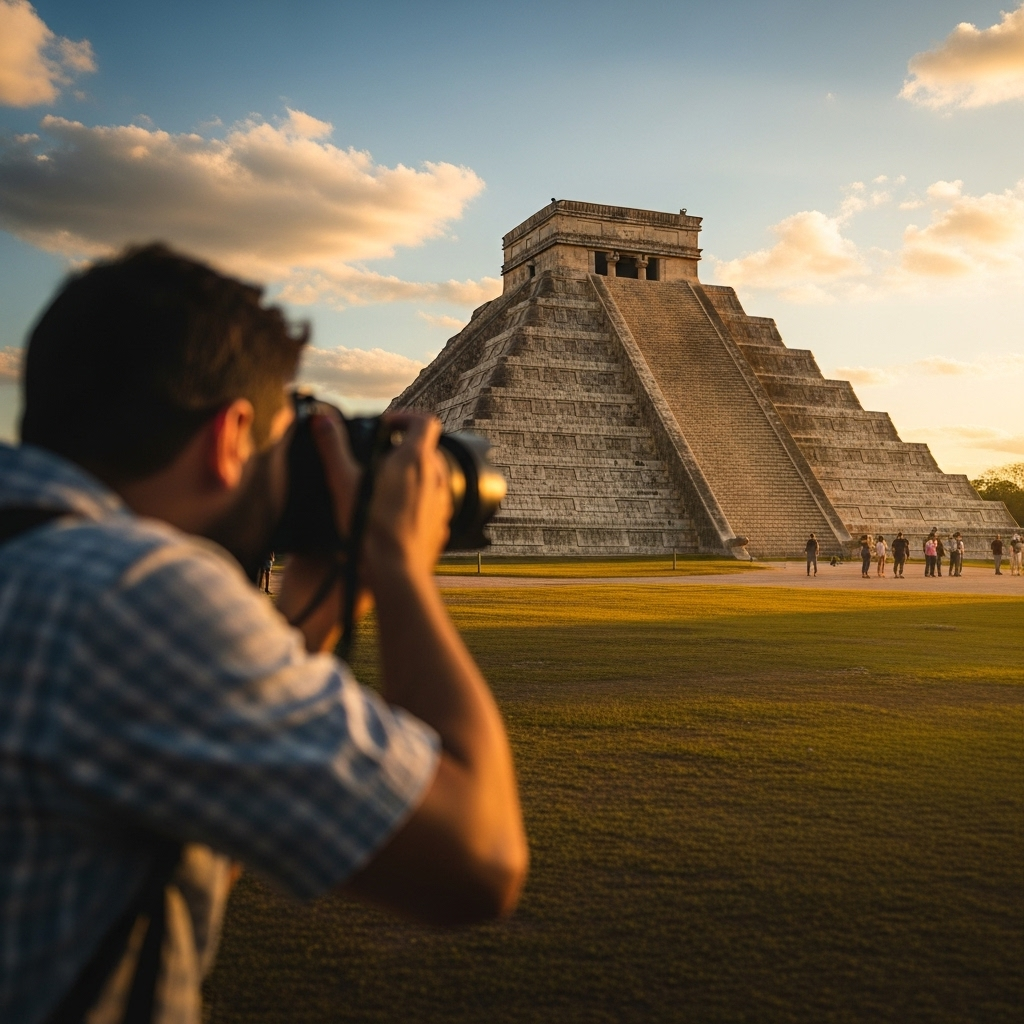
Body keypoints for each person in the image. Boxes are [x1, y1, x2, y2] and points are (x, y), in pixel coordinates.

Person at [0, 246, 529, 1024]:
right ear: (228, 435)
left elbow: (198, 800)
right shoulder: (131, 594)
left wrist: (317, 614)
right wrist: (400, 569)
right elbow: (476, 864)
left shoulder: (44, 569)